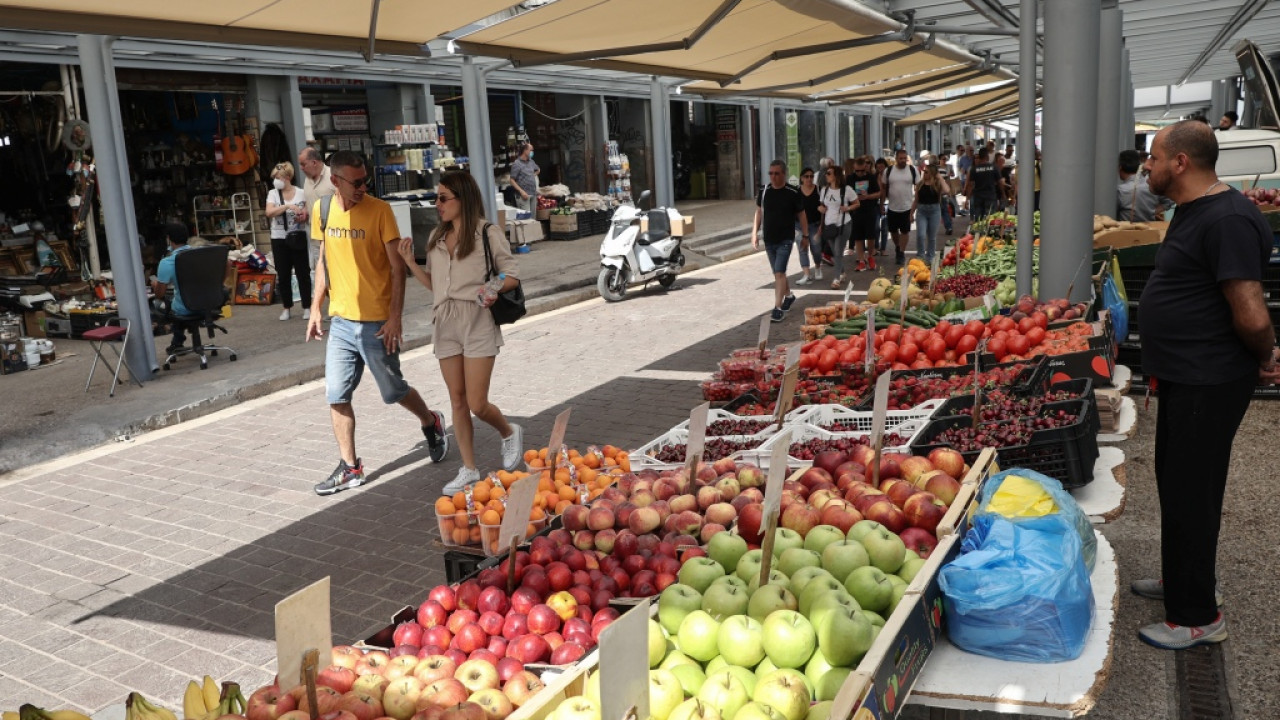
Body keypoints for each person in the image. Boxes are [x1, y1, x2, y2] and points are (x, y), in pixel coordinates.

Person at [1133, 120, 1280, 649]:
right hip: (1183, 375)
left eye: (1152, 157)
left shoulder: (1229, 219)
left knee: (1193, 491)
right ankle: (1182, 580)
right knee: (1176, 484)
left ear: (1181, 163)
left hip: (1208, 378)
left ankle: (1197, 617)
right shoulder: (1194, 211)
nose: (1145, 166)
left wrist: (1267, 354)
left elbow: (1251, 311)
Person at [305, 150, 449, 496]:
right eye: (357, 182)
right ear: (335, 180)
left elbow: (397, 267)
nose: (363, 187)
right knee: (336, 394)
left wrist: (395, 317)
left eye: (365, 180)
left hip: (377, 323)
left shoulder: (380, 211)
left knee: (392, 391)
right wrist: (315, 307)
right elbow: (323, 261)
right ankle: (350, 468)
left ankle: (431, 421)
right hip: (340, 320)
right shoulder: (322, 209)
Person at [399, 170, 524, 493]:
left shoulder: (486, 233)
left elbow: (512, 273)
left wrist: (492, 288)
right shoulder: (436, 239)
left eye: (443, 198)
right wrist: (410, 264)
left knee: (477, 403)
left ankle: (508, 432)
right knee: (457, 400)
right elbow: (436, 286)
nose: (437, 204)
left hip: (478, 318)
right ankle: (468, 469)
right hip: (445, 321)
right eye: (436, 197)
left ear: (462, 199)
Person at [751, 160, 804, 323]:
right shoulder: (764, 191)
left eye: (776, 173)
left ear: (783, 174)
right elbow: (759, 212)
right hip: (769, 239)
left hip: (785, 239)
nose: (773, 177)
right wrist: (754, 233)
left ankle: (777, 307)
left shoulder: (792, 192)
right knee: (778, 273)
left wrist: (806, 235)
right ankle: (788, 295)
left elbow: (802, 215)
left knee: (779, 272)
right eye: (770, 173)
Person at [265, 162, 312, 322]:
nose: (276, 180)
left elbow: (307, 211)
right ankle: (287, 307)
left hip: (297, 236)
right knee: (283, 274)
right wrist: (287, 207)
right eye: (274, 178)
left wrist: (303, 215)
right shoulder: (273, 194)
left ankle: (307, 306)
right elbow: (269, 212)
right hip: (279, 238)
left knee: (303, 273)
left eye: (278, 177)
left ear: (288, 177)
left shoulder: (301, 193)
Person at [150, 223, 196, 354]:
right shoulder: (200, 254)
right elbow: (228, 262)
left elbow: (159, 294)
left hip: (185, 307)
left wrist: (156, 285)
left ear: (169, 239)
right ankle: (177, 341)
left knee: (158, 303)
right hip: (209, 301)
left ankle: (177, 341)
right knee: (176, 299)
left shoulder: (167, 262)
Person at [817, 164, 858, 289]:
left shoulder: (846, 190)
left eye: (829, 173)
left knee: (838, 252)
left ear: (836, 176)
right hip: (829, 225)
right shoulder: (824, 190)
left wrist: (848, 208)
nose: (826, 175)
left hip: (843, 224)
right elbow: (821, 205)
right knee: (835, 252)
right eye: (826, 173)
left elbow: (857, 203)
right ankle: (842, 272)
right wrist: (821, 209)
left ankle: (836, 279)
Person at [299, 147, 336, 271]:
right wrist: (305, 211)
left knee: (335, 271)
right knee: (320, 272)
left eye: (303, 164)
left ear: (314, 162)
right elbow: (309, 200)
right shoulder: (307, 179)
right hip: (315, 237)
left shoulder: (333, 176)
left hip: (334, 234)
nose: (301, 168)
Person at [883, 149, 920, 266]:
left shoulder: (912, 170)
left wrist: (915, 205)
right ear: (896, 159)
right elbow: (883, 188)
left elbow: (918, 187)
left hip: (907, 207)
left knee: (905, 231)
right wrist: (881, 204)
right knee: (893, 231)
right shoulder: (888, 171)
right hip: (892, 207)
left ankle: (901, 253)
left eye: (905, 158)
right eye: (901, 158)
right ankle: (898, 246)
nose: (903, 160)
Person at [846, 156, 880, 272]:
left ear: (866, 168)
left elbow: (879, 193)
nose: (860, 173)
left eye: (862, 170)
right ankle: (861, 260)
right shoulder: (850, 178)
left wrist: (867, 197)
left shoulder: (871, 178)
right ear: (854, 169)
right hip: (856, 211)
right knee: (858, 237)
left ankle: (870, 256)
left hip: (869, 209)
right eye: (857, 171)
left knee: (871, 236)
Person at [1118, 149, 1169, 222]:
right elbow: (1169, 201)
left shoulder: (1120, 191)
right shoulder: (1152, 184)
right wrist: (1153, 211)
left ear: (1120, 168)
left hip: (1126, 231)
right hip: (1150, 229)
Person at [914, 161, 949, 266]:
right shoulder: (920, 184)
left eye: (927, 172)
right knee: (920, 235)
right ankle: (920, 256)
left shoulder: (937, 184)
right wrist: (911, 213)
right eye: (924, 171)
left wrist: (939, 177)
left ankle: (930, 258)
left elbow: (947, 190)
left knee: (932, 237)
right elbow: (916, 200)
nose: (925, 173)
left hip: (934, 211)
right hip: (922, 211)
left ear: (933, 173)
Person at [794, 168, 823, 285]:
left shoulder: (818, 190)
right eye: (806, 176)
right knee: (802, 249)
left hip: (814, 224)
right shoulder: (796, 191)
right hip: (799, 225)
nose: (809, 179)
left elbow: (823, 207)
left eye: (811, 176)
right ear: (801, 178)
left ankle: (817, 266)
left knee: (816, 249)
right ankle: (806, 274)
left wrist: (822, 225)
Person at [963, 148, 1004, 223]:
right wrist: (1003, 195)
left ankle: (979, 233)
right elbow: (1000, 183)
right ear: (987, 156)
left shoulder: (974, 169)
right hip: (990, 196)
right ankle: (989, 233)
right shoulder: (994, 167)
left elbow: (970, 185)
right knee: (991, 218)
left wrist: (967, 199)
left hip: (978, 197)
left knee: (979, 219)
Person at [510, 143, 540, 214]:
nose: (532, 152)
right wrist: (521, 191)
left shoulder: (531, 162)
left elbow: (538, 169)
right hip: (523, 196)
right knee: (526, 218)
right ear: (525, 150)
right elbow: (512, 180)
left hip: (533, 193)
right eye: (531, 150)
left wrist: (532, 175)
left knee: (533, 218)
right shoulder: (517, 164)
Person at [874, 157, 891, 256]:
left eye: (882, 166)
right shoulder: (874, 177)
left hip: (887, 203)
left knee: (885, 227)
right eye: (878, 166)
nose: (880, 168)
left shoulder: (889, 177)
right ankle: (876, 247)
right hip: (876, 203)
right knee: (875, 227)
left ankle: (883, 248)